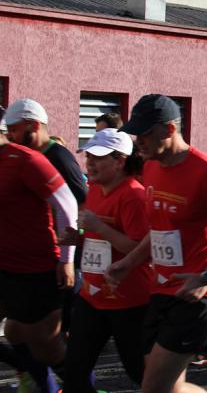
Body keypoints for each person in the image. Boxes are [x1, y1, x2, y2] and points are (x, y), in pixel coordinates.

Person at [105, 94, 207, 393]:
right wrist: (128, 263)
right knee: (169, 386)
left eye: (145, 133)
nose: (138, 141)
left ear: (169, 130)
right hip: (163, 288)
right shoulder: (152, 167)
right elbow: (160, 230)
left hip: (200, 295)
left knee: (153, 387)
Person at [62, 129, 150, 391]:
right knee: (75, 371)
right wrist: (77, 238)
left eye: (98, 157)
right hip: (93, 296)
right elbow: (98, 239)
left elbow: (140, 249)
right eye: (88, 156)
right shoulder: (96, 189)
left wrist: (99, 227)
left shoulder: (133, 195)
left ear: (120, 161)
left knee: (143, 375)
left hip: (129, 302)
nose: (90, 162)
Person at [0, 111, 77, 393]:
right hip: (3, 265)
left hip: (35, 268)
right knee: (15, 332)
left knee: (46, 346)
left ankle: (81, 386)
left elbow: (67, 204)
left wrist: (66, 260)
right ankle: (34, 378)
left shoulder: (26, 160)